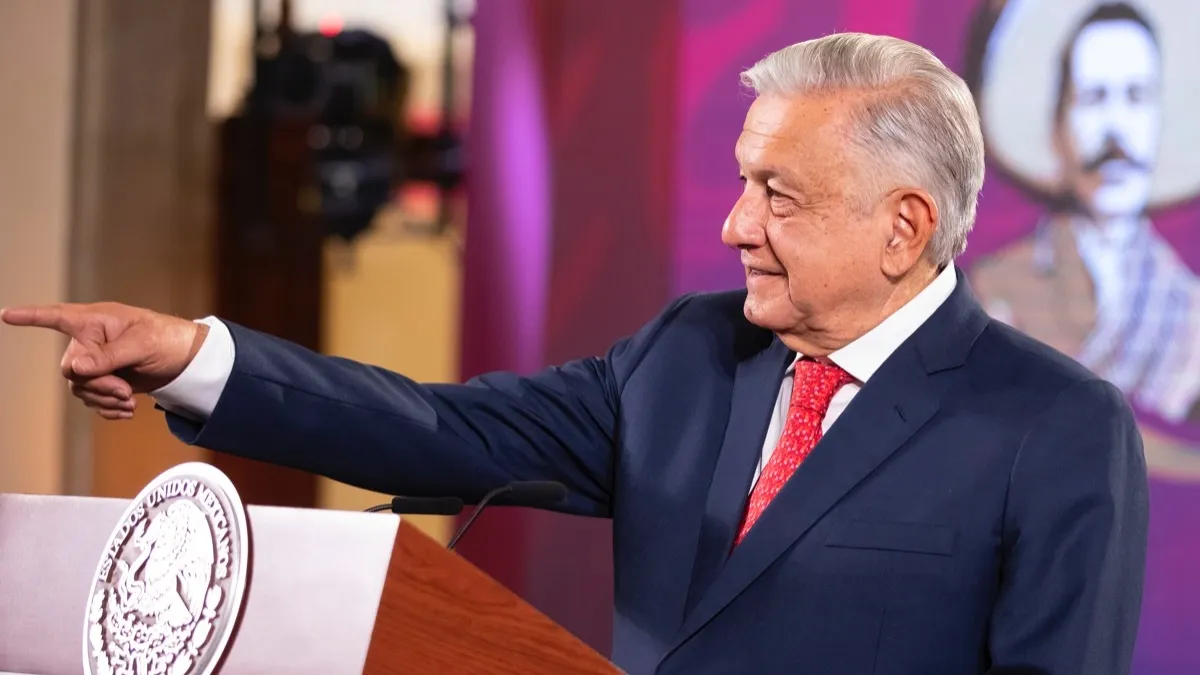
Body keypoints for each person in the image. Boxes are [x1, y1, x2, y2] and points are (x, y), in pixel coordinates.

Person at [2, 33, 1148, 675]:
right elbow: (442, 432)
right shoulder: (687, 358)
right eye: (742, 182)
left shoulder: (1052, 429)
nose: (734, 226)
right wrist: (195, 358)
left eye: (777, 195)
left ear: (902, 227)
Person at [968, 1, 1200, 478]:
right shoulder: (997, 293)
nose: (1116, 131)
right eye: (1093, 99)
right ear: (1056, 123)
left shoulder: (1187, 313)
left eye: (1136, 97)